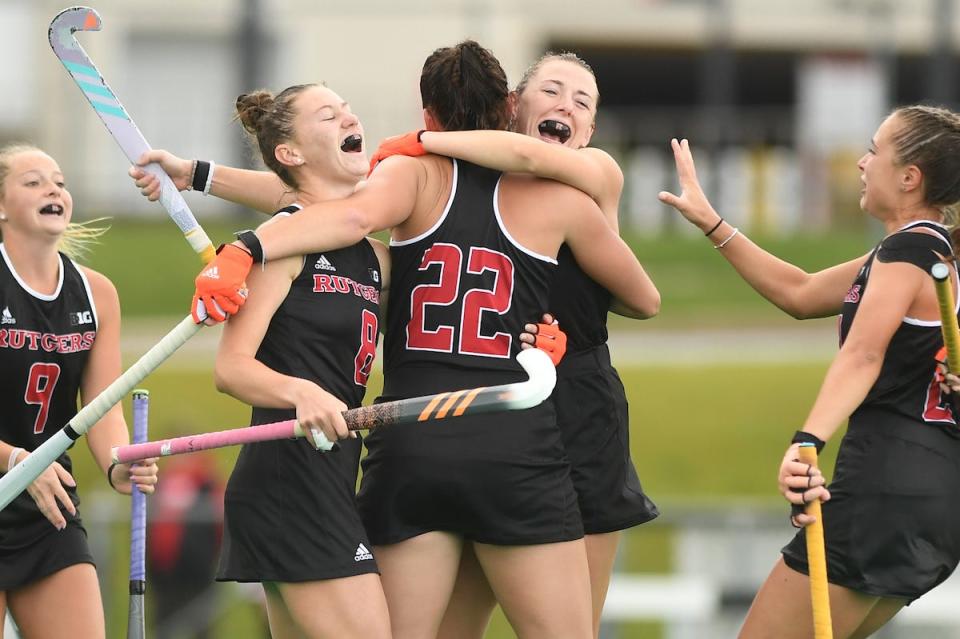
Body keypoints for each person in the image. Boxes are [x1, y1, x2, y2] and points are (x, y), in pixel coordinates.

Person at [181, 40, 659, 639]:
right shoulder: (562, 196)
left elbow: (330, 212)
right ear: (509, 105)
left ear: (427, 114)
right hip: (514, 446)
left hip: (412, 445)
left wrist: (242, 239)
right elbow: (646, 300)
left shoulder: (406, 176)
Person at [369, 51, 659, 638]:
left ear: (592, 129)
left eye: (582, 102)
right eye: (551, 91)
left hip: (575, 400)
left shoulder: (592, 171)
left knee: (572, 622)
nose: (565, 107)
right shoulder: (470, 181)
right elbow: (341, 208)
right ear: (513, 105)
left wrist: (421, 138)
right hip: (496, 416)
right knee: (459, 617)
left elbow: (640, 300)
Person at [659, 105, 960, 639]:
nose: (863, 163)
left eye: (875, 151)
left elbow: (862, 355)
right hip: (931, 501)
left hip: (884, 490)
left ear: (910, 178)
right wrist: (711, 222)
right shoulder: (929, 253)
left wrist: (806, 441)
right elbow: (800, 293)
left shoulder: (910, 250)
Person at [0, 144, 159, 639]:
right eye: (33, 182)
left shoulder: (96, 293)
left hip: (47, 507)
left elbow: (100, 408)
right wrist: (14, 461)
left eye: (60, 182)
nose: (53, 189)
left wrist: (117, 461)